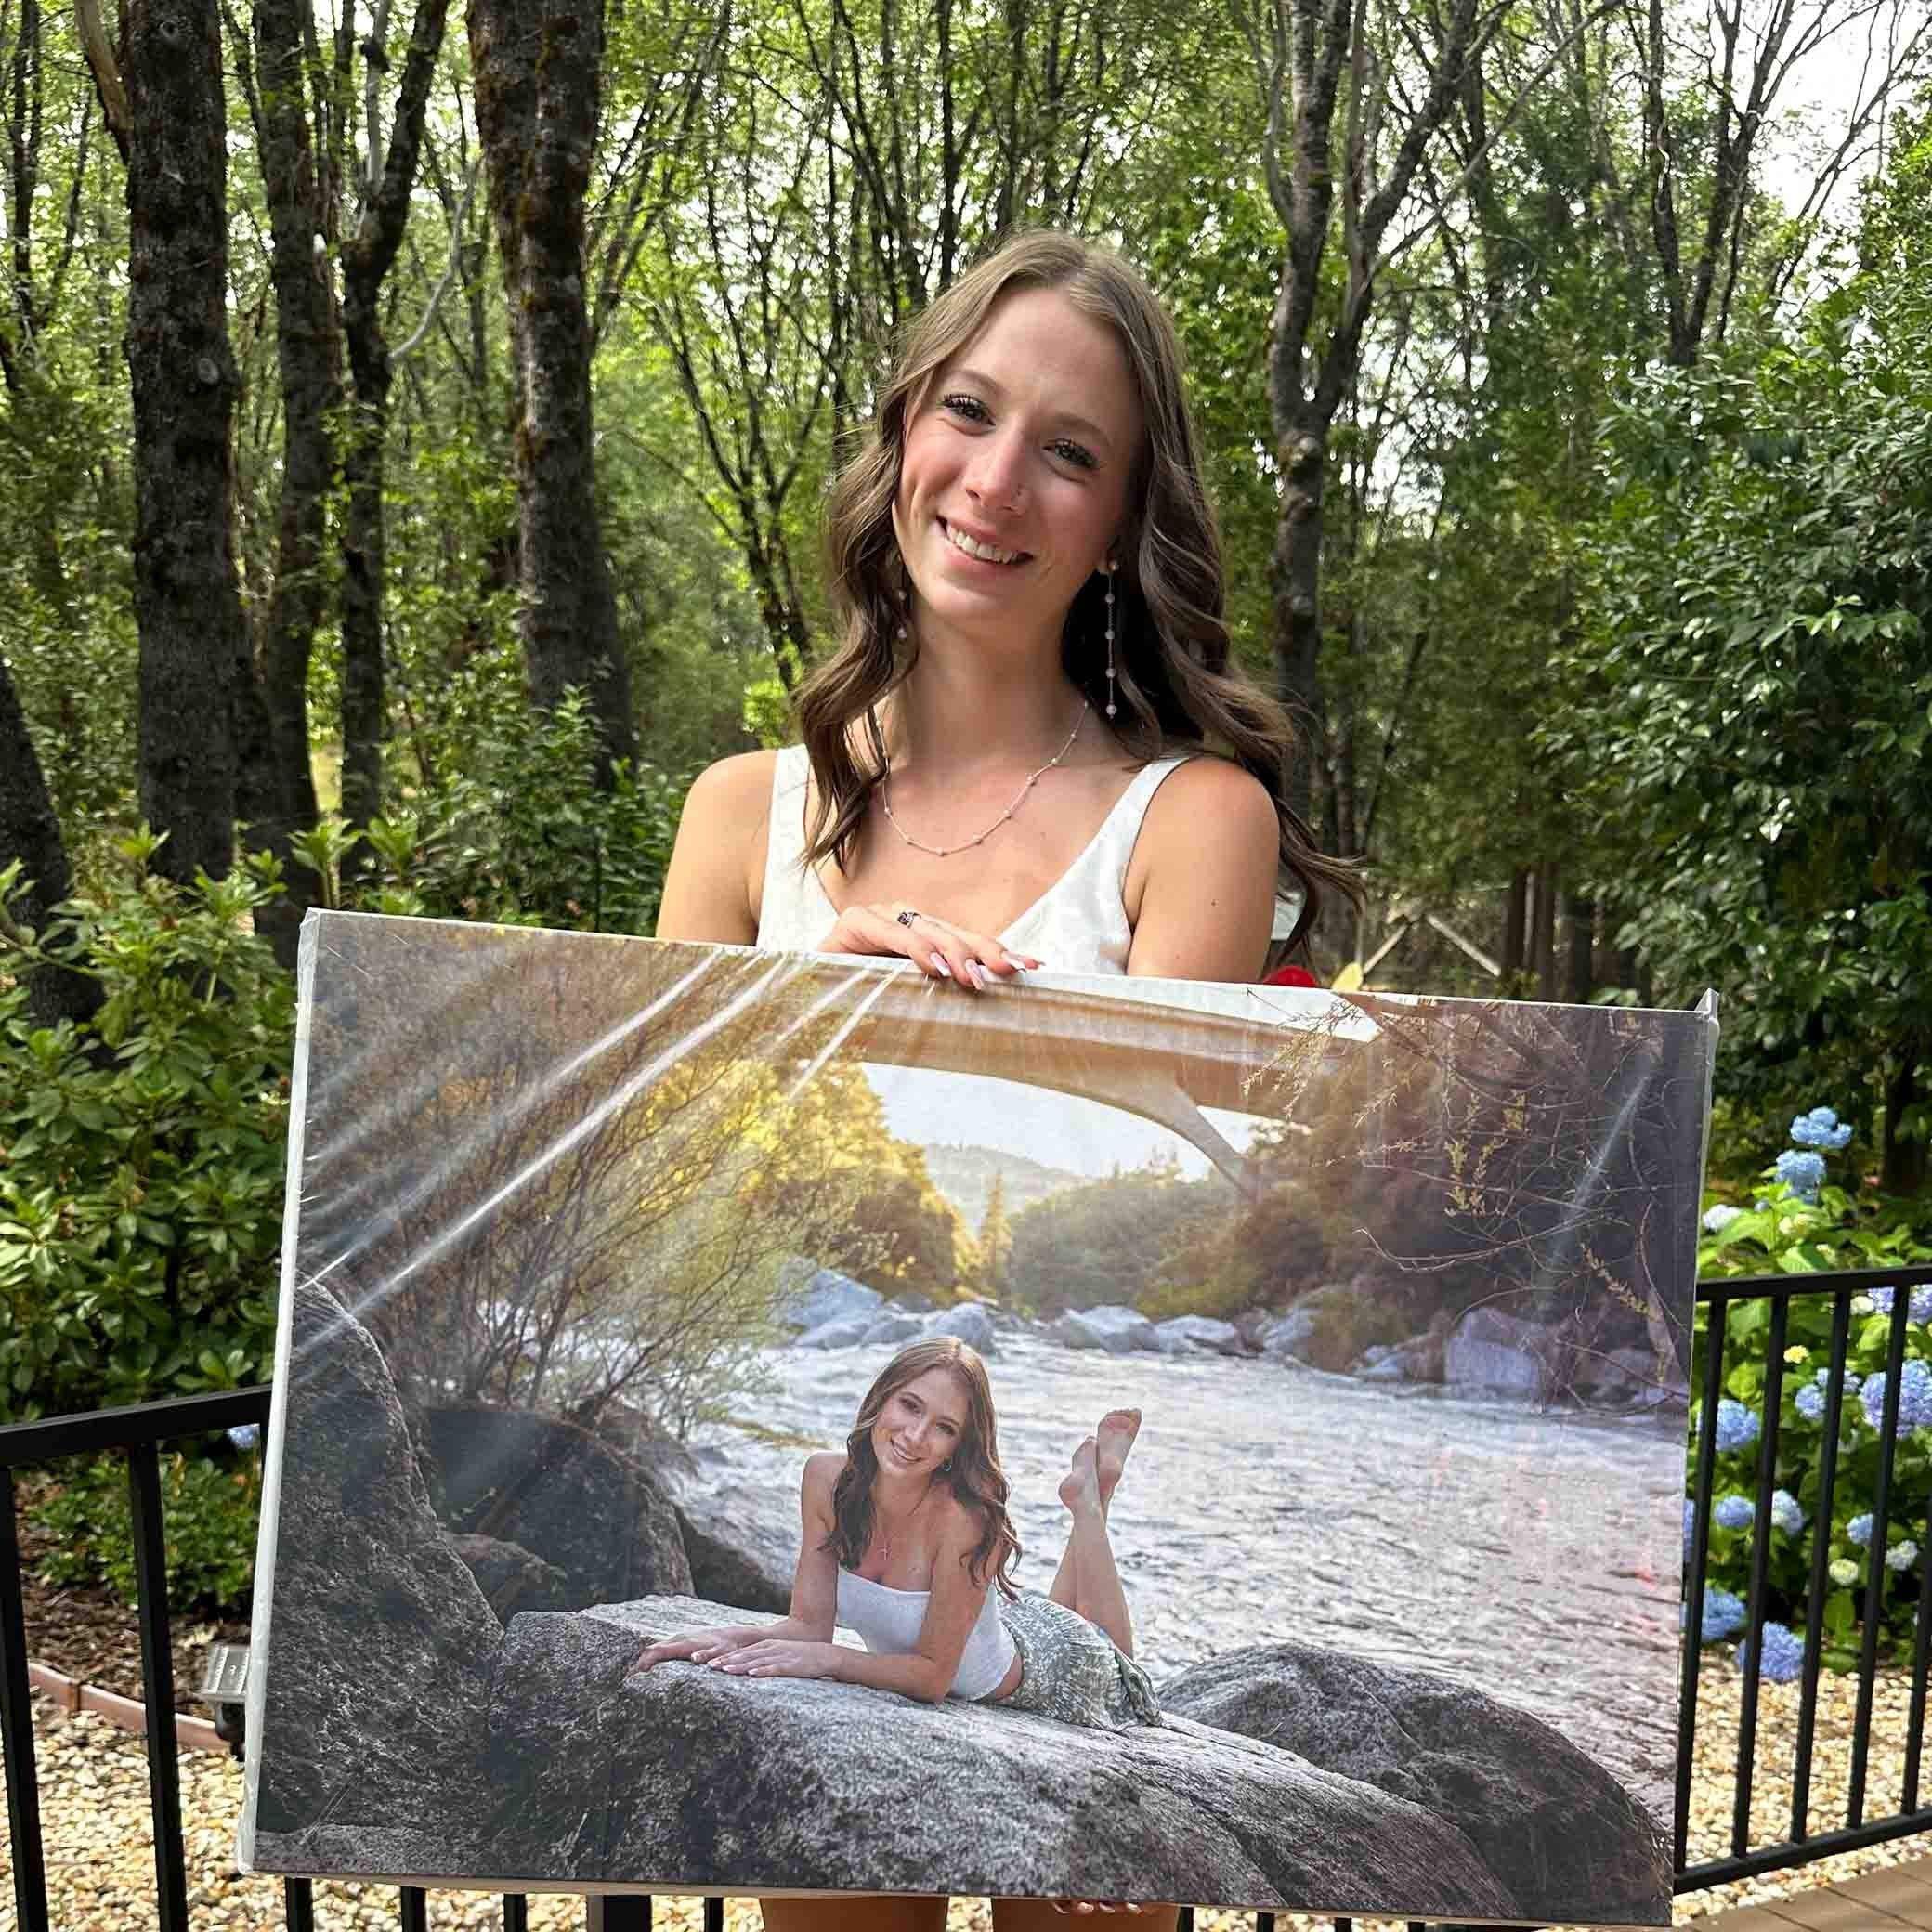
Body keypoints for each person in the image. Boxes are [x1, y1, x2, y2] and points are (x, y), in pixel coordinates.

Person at [651, 223, 1360, 1928]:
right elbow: (664, 1169)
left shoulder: (1196, 820)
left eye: (1070, 453)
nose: (996, 481)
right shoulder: (740, 818)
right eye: (966, 414)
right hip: (872, 1542)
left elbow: (1194, 1167)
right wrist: (810, 1014)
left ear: (1119, 521)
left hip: (1025, 1559)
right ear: (904, 432)